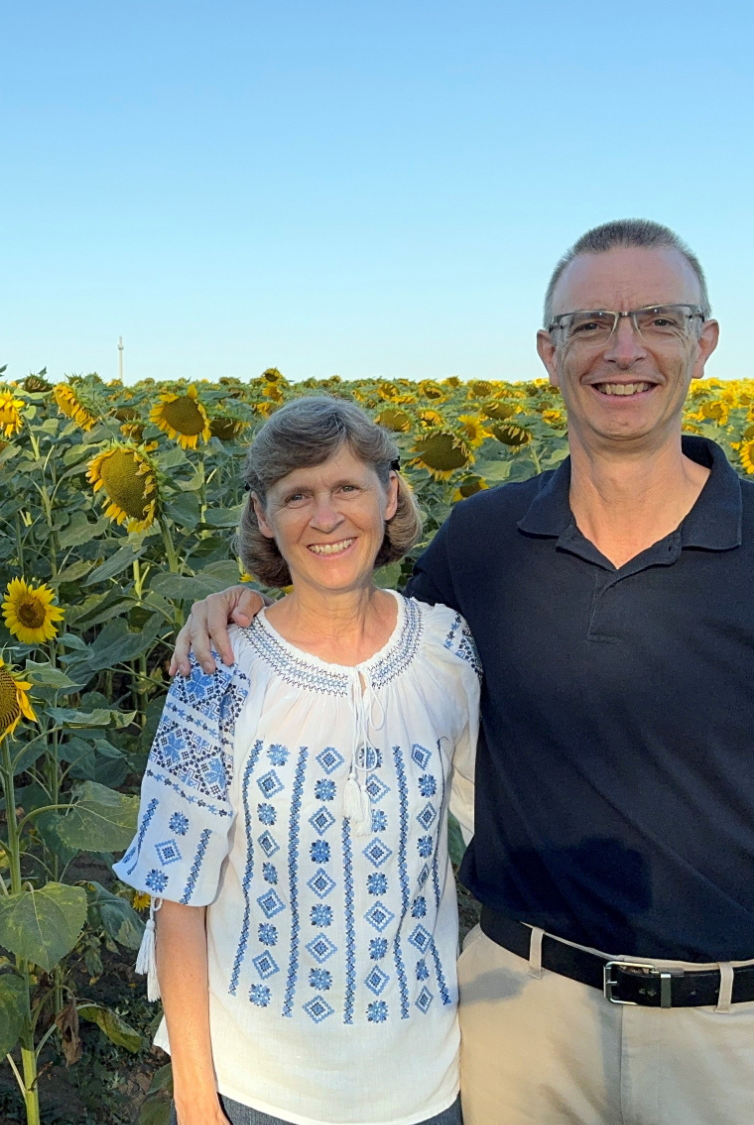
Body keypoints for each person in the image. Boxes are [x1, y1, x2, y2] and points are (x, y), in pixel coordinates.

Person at [171, 219, 754, 1124]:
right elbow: (347, 614)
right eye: (590, 324)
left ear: (705, 342)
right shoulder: (484, 546)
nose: (624, 348)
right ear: (548, 354)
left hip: (728, 1032)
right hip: (522, 1017)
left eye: (661, 319)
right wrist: (234, 604)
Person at [115, 395, 478, 1125]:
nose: (326, 516)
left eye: (347, 486)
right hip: (261, 1090)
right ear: (263, 516)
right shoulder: (219, 667)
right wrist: (195, 1099)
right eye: (297, 495)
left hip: (426, 1083)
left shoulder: (446, 650)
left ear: (391, 494)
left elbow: (503, 820)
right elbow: (178, 899)